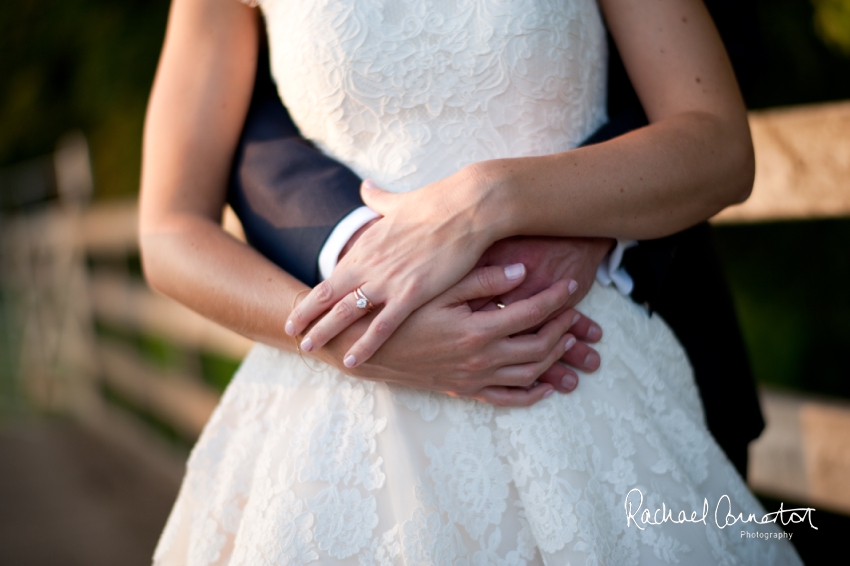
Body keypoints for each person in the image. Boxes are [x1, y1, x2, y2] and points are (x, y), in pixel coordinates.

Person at [141, 0, 801, 563]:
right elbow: (169, 230)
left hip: (582, 366)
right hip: (331, 423)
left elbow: (719, 145)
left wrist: (491, 197)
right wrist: (350, 339)